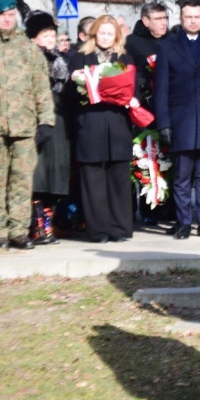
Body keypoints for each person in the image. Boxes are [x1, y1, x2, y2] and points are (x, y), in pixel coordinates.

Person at [0, 0, 55, 249]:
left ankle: (19, 231)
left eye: (11, 15)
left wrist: (46, 121)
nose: (8, 20)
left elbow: (41, 85)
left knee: (21, 180)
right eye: (2, 16)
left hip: (24, 125)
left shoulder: (27, 47)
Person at [155, 0, 200, 239]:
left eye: (198, 17)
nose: (194, 21)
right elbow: (161, 89)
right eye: (189, 17)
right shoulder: (167, 47)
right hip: (181, 120)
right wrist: (163, 123)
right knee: (182, 175)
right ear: (181, 19)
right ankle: (184, 221)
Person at [65, 15, 135, 243]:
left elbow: (136, 85)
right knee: (93, 180)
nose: (105, 37)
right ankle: (98, 230)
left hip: (117, 125)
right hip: (90, 124)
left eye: (109, 33)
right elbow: (69, 95)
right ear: (94, 34)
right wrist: (75, 81)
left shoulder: (124, 57)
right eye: (101, 33)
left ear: (116, 36)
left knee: (118, 179)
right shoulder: (78, 58)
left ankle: (119, 228)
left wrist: (132, 98)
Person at [25, 11, 72, 244]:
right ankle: (36, 228)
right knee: (39, 176)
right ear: (34, 38)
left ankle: (48, 226)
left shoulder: (61, 60)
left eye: (52, 33)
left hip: (60, 123)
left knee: (56, 175)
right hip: (39, 122)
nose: (51, 38)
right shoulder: (31, 59)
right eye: (45, 34)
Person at [125, 3, 170, 110]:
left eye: (165, 18)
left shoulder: (173, 40)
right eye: (158, 19)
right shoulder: (131, 42)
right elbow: (127, 71)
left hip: (172, 99)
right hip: (144, 101)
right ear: (146, 21)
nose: (163, 23)